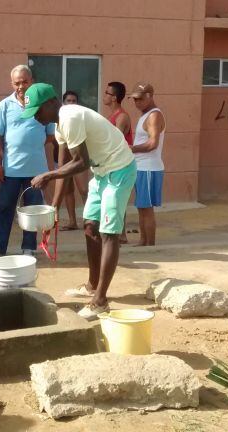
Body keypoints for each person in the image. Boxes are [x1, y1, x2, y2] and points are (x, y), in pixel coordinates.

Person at [26, 83, 136, 320]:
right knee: (89, 226)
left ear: (50, 103)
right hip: (101, 171)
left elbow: (80, 163)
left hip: (119, 169)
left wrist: (47, 175)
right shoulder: (58, 125)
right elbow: (63, 167)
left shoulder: (70, 116)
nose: (35, 116)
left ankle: (100, 301)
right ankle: (92, 285)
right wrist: (53, 209)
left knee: (109, 233)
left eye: (37, 110)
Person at [0, 65, 54, 261]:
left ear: (32, 81)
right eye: (17, 82)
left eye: (24, 81)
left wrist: (34, 149)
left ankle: (28, 248)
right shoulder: (4, 105)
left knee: (32, 211)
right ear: (11, 84)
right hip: (10, 170)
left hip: (36, 171)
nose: (21, 86)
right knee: (5, 208)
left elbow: (49, 137)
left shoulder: (42, 105)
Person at [129, 83, 165, 246]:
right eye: (134, 99)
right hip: (142, 167)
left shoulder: (154, 116)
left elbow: (152, 143)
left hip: (149, 167)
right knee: (142, 207)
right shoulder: (146, 115)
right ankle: (144, 241)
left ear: (150, 96)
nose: (137, 102)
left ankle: (149, 244)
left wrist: (131, 149)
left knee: (146, 208)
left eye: (140, 99)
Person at [103, 81, 134, 244]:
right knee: (114, 198)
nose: (104, 95)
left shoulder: (122, 117)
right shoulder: (111, 116)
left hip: (121, 165)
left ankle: (121, 234)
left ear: (114, 97)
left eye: (107, 93)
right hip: (112, 164)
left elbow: (116, 142)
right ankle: (119, 233)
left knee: (118, 198)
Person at [57, 90, 89, 231]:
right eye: (68, 100)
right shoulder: (59, 119)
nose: (71, 103)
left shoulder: (79, 117)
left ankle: (90, 220)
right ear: (63, 103)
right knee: (68, 191)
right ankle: (72, 221)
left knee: (84, 190)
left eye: (73, 101)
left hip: (79, 159)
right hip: (65, 159)